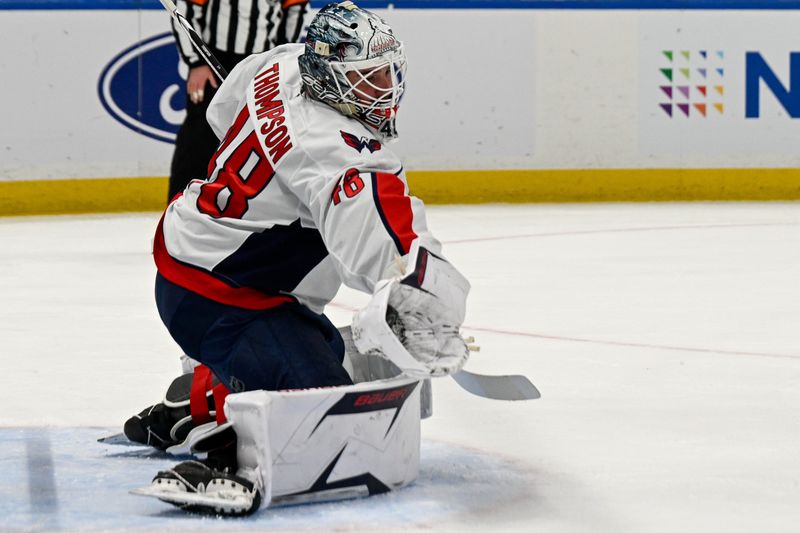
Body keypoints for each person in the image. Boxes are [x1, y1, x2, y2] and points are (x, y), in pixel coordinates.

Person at [127, 1, 471, 514]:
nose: (384, 90)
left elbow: (223, 114)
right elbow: (381, 234)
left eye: (385, 74)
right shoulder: (336, 151)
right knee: (323, 409)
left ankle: (194, 403)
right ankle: (227, 460)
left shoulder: (281, 63)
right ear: (331, 77)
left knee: (323, 348)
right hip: (221, 294)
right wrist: (422, 299)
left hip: (199, 258)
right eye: (367, 79)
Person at [168, 0, 310, 201]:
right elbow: (186, 7)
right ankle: (179, 208)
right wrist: (196, 62)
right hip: (214, 58)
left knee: (263, 136)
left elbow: (295, 8)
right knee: (199, 137)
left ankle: (250, 210)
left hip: (263, 61)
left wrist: (280, 58)